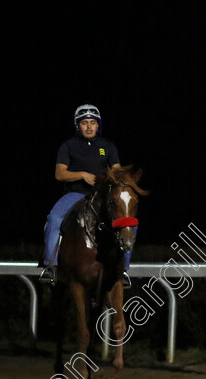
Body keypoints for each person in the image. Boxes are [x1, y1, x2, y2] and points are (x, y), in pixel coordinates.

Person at [39, 104, 132, 286]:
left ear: (98, 125)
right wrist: (82, 175)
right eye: (84, 123)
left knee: (128, 222)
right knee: (54, 219)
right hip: (75, 194)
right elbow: (59, 174)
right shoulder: (68, 146)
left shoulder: (107, 146)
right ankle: (51, 266)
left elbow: (117, 173)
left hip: (102, 196)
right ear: (78, 126)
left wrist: (105, 180)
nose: (89, 126)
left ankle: (124, 271)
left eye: (92, 123)